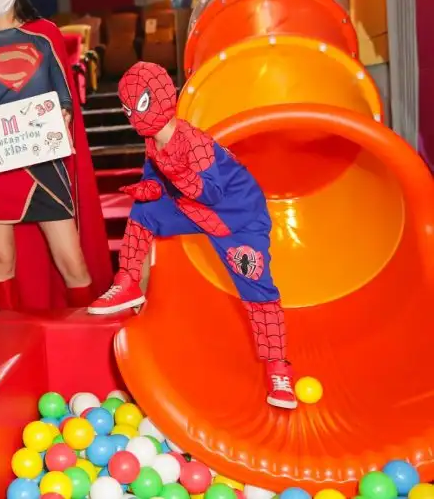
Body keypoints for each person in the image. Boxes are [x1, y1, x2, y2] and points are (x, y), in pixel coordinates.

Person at [87, 61, 296, 410]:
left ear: (161, 99)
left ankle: (279, 369)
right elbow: (155, 179)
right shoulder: (153, 142)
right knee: (143, 212)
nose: (133, 116)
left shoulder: (194, 143)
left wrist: (177, 174)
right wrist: (147, 188)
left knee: (258, 292)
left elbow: (211, 193)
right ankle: (128, 282)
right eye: (128, 109)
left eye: (138, 105)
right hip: (193, 211)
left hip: (237, 220)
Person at [0, 0, 112, 345]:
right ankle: (12, 346)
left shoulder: (43, 35)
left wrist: (62, 117)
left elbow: (64, 96)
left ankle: (89, 342)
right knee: (0, 260)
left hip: (43, 162)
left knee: (71, 259)